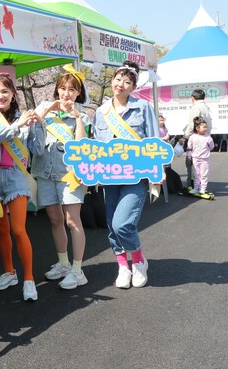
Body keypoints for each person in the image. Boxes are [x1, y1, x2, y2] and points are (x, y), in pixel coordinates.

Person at [93, 61, 159, 289]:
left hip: (135, 177)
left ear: (133, 87)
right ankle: (123, 266)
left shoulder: (143, 108)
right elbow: (96, 146)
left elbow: (153, 141)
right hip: (109, 177)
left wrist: (157, 170)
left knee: (122, 223)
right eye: (118, 79)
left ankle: (138, 261)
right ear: (112, 81)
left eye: (127, 81)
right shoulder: (101, 112)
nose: (121, 84)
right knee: (112, 226)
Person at [0, 72, 44, 301]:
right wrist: (18, 126)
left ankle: (29, 278)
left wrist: (39, 124)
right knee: (1, 229)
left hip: (16, 176)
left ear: (13, 94)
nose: (0, 96)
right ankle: (9, 272)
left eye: (5, 91)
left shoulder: (24, 117)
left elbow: (37, 149)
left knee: (18, 229)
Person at [32, 66, 90, 290]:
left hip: (69, 175)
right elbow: (32, 135)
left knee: (72, 221)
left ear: (78, 93)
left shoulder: (82, 116)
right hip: (45, 173)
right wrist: (47, 111)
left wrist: (78, 119)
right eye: (63, 88)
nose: (66, 93)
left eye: (72, 90)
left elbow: (82, 147)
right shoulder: (46, 111)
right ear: (57, 90)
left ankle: (78, 270)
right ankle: (64, 264)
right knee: (55, 220)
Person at [187, 117, 215, 194]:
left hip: (205, 159)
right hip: (195, 158)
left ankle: (203, 188)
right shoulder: (193, 137)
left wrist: (206, 151)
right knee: (196, 174)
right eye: (204, 127)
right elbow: (189, 147)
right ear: (197, 128)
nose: (205, 129)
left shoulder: (208, 138)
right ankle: (196, 188)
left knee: (204, 174)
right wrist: (189, 156)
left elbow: (211, 147)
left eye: (206, 127)